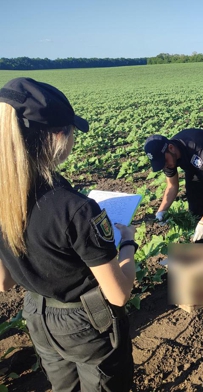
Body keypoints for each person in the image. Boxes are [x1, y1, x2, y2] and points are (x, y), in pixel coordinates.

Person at [0, 77, 137, 391]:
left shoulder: (5, 193)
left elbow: (3, 282)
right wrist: (127, 242)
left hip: (37, 314)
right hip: (86, 320)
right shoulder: (75, 208)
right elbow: (118, 295)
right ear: (58, 136)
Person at [144, 129, 203, 242]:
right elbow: (172, 186)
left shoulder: (199, 151)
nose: (165, 165)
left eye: (164, 161)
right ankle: (202, 248)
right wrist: (162, 211)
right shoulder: (168, 160)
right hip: (192, 167)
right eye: (161, 164)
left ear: (171, 148)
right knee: (195, 209)